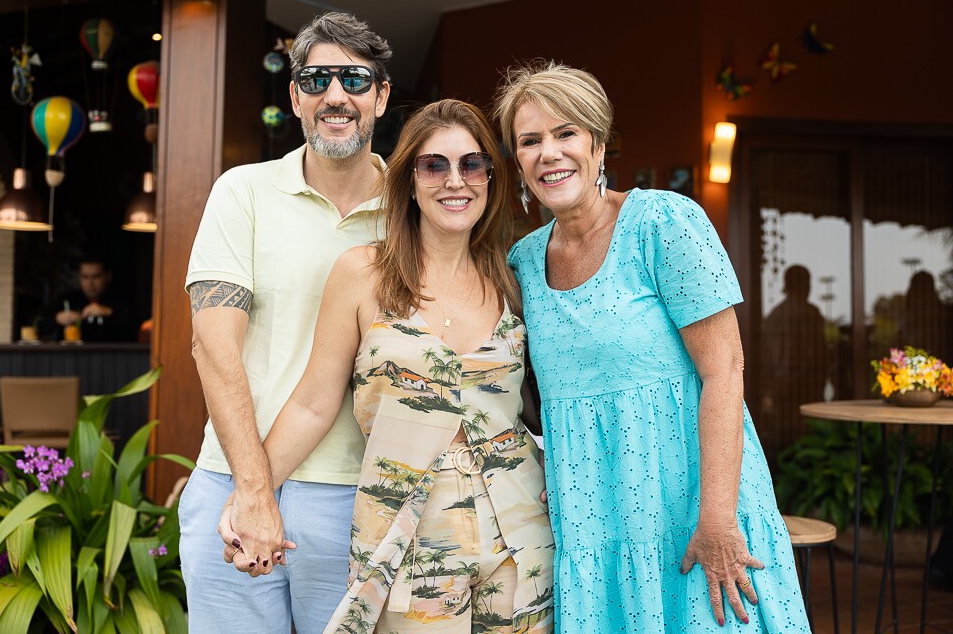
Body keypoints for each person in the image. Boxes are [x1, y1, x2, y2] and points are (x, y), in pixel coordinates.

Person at [495, 61, 810, 632]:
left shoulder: (662, 221)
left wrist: (717, 517)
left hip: (691, 508)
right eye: (530, 141)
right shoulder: (523, 263)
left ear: (597, 143)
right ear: (517, 161)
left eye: (565, 133)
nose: (549, 152)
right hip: (594, 520)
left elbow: (726, 371)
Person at [220, 99, 554, 634]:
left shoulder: (514, 278)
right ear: (410, 180)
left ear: (492, 177)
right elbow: (313, 402)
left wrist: (560, 464)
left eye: (473, 164)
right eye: (434, 165)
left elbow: (570, 384)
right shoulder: (363, 273)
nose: (455, 181)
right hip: (405, 536)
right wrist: (250, 498)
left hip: (520, 534)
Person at [181, 12, 391, 634]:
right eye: (317, 78)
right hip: (231, 481)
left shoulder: (416, 208)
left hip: (360, 495)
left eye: (355, 79)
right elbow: (212, 343)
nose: (336, 95)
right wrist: (252, 491)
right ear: (295, 94)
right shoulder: (242, 192)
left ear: (380, 96)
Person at [761, 265, 828, 455]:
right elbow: (816, 354)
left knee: (784, 444)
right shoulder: (810, 313)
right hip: (805, 389)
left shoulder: (774, 315)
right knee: (808, 443)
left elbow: (766, 357)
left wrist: (771, 387)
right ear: (804, 284)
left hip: (780, 390)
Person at [40, 257, 136, 342]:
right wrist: (57, 318)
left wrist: (109, 312)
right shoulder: (66, 300)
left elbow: (136, 327)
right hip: (71, 358)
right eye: (85, 277)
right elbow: (39, 325)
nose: (90, 282)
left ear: (108, 277)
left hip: (111, 358)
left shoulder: (119, 300)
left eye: (96, 276)